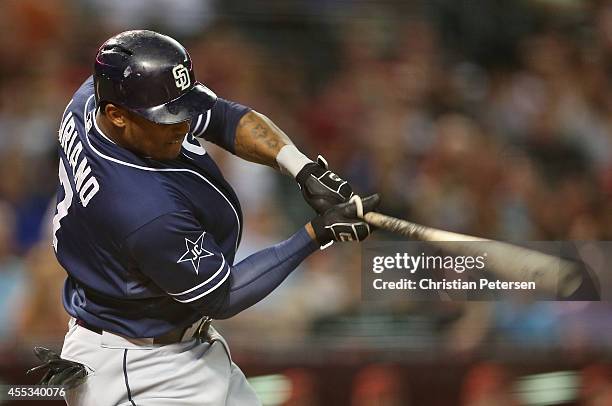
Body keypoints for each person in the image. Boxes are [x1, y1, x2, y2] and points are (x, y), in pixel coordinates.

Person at [38, 30, 379, 405]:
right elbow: (223, 295)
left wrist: (302, 169)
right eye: (167, 118)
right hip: (143, 370)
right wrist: (316, 233)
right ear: (117, 116)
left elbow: (220, 116)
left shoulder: (92, 99)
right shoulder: (141, 209)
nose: (183, 125)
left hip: (168, 343)